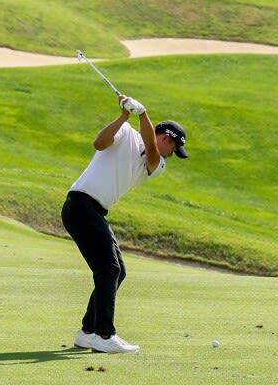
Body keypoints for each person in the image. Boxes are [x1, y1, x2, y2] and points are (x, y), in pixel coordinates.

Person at [62, 91, 188, 356]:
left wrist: (142, 113)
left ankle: (87, 332)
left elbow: (151, 151)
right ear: (166, 138)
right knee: (108, 269)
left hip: (93, 210)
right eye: (174, 149)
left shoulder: (157, 164)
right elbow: (99, 143)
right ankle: (105, 335)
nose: (172, 156)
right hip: (80, 205)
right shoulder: (126, 132)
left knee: (118, 271)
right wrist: (123, 116)